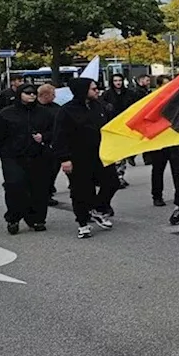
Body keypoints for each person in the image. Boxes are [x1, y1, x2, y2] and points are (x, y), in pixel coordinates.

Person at [0, 84, 56, 234]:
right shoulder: (6, 114)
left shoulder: (44, 113)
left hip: (38, 156)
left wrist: (44, 137)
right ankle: (13, 217)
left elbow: (55, 131)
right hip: (13, 156)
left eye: (33, 93)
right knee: (15, 186)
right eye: (27, 93)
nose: (31, 95)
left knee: (39, 188)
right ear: (19, 95)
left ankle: (37, 218)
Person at [52, 78, 117, 239]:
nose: (97, 91)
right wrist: (64, 158)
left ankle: (97, 208)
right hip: (78, 156)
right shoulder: (67, 111)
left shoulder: (99, 106)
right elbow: (59, 136)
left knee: (112, 182)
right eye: (93, 89)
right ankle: (83, 223)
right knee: (81, 190)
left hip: (100, 154)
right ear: (83, 91)